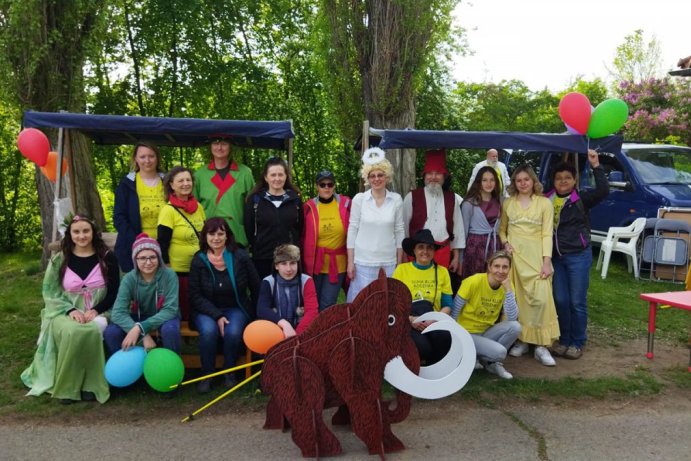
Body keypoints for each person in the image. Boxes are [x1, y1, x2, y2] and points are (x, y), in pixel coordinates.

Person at [22, 214, 120, 404]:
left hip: (101, 310)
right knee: (73, 331)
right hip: (63, 311)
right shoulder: (60, 260)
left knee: (91, 330)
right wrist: (70, 311)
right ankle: (68, 386)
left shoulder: (107, 258)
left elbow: (115, 292)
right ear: (70, 235)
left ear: (93, 233)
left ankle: (91, 385)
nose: (81, 236)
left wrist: (96, 310)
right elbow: (50, 293)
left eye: (85, 231)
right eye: (76, 232)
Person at [545, 150, 609, 360]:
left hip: (578, 256)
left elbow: (603, 190)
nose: (563, 181)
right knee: (560, 300)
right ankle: (564, 339)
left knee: (577, 302)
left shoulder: (581, 198)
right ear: (553, 180)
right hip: (556, 257)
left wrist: (596, 165)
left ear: (574, 180)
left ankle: (577, 342)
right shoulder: (546, 198)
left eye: (567, 178)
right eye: (559, 178)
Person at [189, 217, 261, 393]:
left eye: (221, 233)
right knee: (208, 331)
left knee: (233, 331)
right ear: (205, 236)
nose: (216, 238)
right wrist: (217, 315)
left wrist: (257, 314)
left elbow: (256, 285)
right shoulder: (198, 260)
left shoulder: (240, 256)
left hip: (236, 307)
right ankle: (207, 374)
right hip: (206, 310)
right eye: (211, 234)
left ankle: (230, 372)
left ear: (227, 235)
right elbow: (195, 295)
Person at [499, 164, 559, 366]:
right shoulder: (508, 204)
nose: (523, 183)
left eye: (526, 179)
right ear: (514, 183)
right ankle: (522, 340)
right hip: (515, 260)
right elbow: (502, 230)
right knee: (517, 300)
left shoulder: (544, 203)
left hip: (536, 259)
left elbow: (547, 234)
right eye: (518, 180)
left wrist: (546, 261)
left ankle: (541, 346)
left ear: (534, 181)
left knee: (540, 300)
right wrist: (506, 243)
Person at [105, 233, 181, 357]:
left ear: (159, 258)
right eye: (142, 258)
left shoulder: (169, 275)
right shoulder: (129, 278)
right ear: (135, 260)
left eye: (153, 257)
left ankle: (171, 367)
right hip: (139, 315)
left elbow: (170, 309)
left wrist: (140, 328)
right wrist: (143, 334)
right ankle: (126, 369)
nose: (148, 262)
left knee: (170, 330)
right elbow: (118, 313)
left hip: (164, 316)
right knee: (111, 332)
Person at [346, 147, 405, 302]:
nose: (376, 179)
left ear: (387, 176)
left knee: (387, 302)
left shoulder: (396, 200)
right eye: (372, 175)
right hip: (363, 262)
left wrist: (399, 263)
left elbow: (399, 231)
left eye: (380, 175)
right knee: (362, 302)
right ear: (368, 178)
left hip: (389, 262)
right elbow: (352, 230)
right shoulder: (359, 199)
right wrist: (350, 263)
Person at [452, 251, 521, 379]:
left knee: (515, 326)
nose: (500, 271)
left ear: (509, 269)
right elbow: (455, 310)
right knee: (500, 352)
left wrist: (508, 291)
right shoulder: (473, 281)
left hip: (485, 332)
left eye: (505, 267)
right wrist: (454, 340)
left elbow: (512, 318)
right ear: (489, 267)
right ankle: (474, 357)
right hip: (466, 334)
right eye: (496, 266)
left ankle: (492, 363)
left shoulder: (507, 286)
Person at [393, 229, 453, 365]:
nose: (425, 252)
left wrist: (435, 319)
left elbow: (447, 304)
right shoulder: (401, 270)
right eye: (421, 247)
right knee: (423, 348)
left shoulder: (442, 272)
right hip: (409, 319)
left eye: (429, 248)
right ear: (414, 250)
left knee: (445, 337)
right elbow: (394, 303)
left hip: (433, 319)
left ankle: (436, 369)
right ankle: (419, 362)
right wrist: (410, 319)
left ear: (434, 251)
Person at [402, 149, 464, 274]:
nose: (433, 177)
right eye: (429, 173)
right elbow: (403, 228)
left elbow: (457, 229)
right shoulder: (412, 197)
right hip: (418, 253)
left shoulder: (453, 198)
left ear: (444, 177)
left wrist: (456, 257)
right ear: (424, 176)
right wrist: (403, 254)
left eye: (438, 173)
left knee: (439, 287)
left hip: (443, 252)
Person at [158, 166, 206, 320]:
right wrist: (166, 267)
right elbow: (162, 242)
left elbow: (205, 236)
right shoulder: (168, 211)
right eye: (180, 181)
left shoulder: (198, 207)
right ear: (171, 185)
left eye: (188, 180)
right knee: (181, 307)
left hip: (199, 268)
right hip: (178, 272)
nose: (186, 183)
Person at [244, 157, 303, 279]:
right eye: (273, 175)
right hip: (263, 257)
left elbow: (300, 227)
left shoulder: (295, 199)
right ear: (266, 177)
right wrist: (258, 245)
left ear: (286, 176)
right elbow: (249, 228)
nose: (277, 178)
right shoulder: (255, 200)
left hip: (289, 259)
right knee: (264, 294)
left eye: (281, 174)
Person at [194, 134, 255, 249]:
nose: (219, 147)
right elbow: (194, 207)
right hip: (210, 235)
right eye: (215, 143)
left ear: (230, 146)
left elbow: (252, 206)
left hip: (237, 234)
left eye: (224, 144)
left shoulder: (245, 173)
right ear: (210, 147)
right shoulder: (199, 175)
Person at [302, 170, 351, 311]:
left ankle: (326, 331)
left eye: (330, 184)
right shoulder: (309, 207)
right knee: (313, 302)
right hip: (315, 263)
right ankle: (313, 331)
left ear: (334, 186)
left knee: (327, 303)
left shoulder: (346, 204)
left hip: (338, 263)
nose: (326, 188)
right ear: (317, 187)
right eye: (322, 185)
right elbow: (302, 234)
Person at [113, 142, 166, 272]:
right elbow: (119, 217)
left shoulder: (169, 182)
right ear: (135, 159)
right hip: (133, 248)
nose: (147, 160)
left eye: (151, 156)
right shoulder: (126, 184)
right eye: (142, 157)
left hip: (165, 249)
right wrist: (138, 241)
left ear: (157, 158)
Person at [257, 244, 318, 338]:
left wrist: (296, 336)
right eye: (284, 263)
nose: (289, 269)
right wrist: (284, 324)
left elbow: (312, 311)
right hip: (276, 326)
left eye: (293, 263)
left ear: (298, 264)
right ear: (276, 266)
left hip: (301, 328)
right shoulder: (268, 281)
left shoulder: (306, 281)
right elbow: (262, 309)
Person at [460, 166, 503, 280]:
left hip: (495, 247)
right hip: (475, 249)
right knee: (475, 282)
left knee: (493, 282)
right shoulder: (469, 204)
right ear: (479, 182)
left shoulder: (501, 202)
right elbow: (463, 233)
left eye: (492, 180)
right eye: (484, 180)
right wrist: (460, 259)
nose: (489, 183)